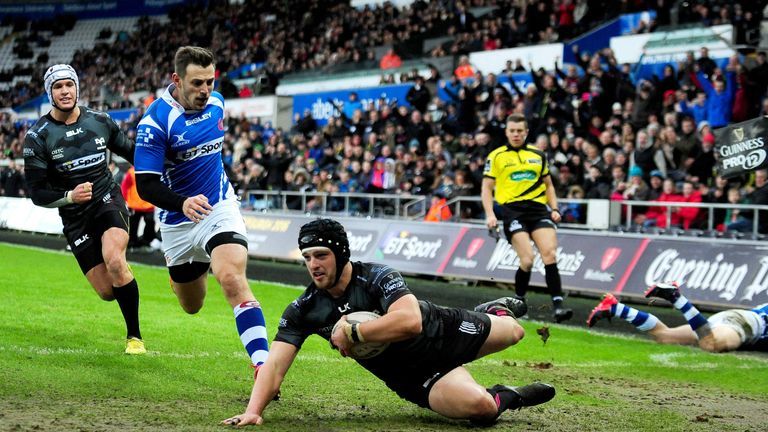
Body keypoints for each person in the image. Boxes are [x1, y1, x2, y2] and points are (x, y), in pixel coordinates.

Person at [222, 218, 556, 427]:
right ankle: (510, 395)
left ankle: (494, 309)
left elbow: (410, 322)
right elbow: (275, 366)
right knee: (481, 409)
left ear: (341, 254)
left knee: (515, 331)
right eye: (307, 257)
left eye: (321, 255)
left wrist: (353, 331)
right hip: (414, 376)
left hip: (441, 330)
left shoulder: (378, 276)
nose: (313, 265)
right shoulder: (305, 308)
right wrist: (254, 410)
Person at [133, 46, 268, 373]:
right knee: (192, 305)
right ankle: (190, 266)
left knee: (232, 277)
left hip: (218, 207)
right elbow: (146, 186)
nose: (205, 91)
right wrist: (182, 202)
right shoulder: (154, 123)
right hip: (178, 220)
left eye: (210, 81)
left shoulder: (218, 103)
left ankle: (263, 365)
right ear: (177, 79)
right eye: (197, 83)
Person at [23, 64, 145, 354]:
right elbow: (37, 194)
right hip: (75, 215)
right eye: (57, 86)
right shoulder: (38, 137)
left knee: (114, 259)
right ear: (49, 92)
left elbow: (134, 152)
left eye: (69, 85)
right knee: (106, 291)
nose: (65, 91)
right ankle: (126, 284)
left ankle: (135, 337)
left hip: (107, 199)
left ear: (77, 87)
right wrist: (68, 196)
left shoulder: (100, 120)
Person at [481, 113, 573, 323]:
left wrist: (555, 207)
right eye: (512, 131)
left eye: (520, 131)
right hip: (512, 211)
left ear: (526, 132)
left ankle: (558, 306)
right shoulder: (496, 156)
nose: (516, 134)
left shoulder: (538, 155)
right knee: (528, 260)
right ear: (506, 132)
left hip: (538, 210)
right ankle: (519, 301)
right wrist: (490, 214)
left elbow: (549, 184)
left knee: (549, 254)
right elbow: (486, 188)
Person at [587, 282, 768, 353]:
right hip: (748, 324)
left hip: (736, 320)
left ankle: (615, 308)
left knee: (665, 336)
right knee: (711, 344)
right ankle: (675, 297)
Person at [120, 166, 156, 249]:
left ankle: (146, 241)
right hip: (136, 205)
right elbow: (125, 187)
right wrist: (125, 200)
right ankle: (133, 242)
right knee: (134, 224)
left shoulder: (133, 171)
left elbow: (124, 187)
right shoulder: (132, 172)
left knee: (149, 224)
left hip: (148, 204)